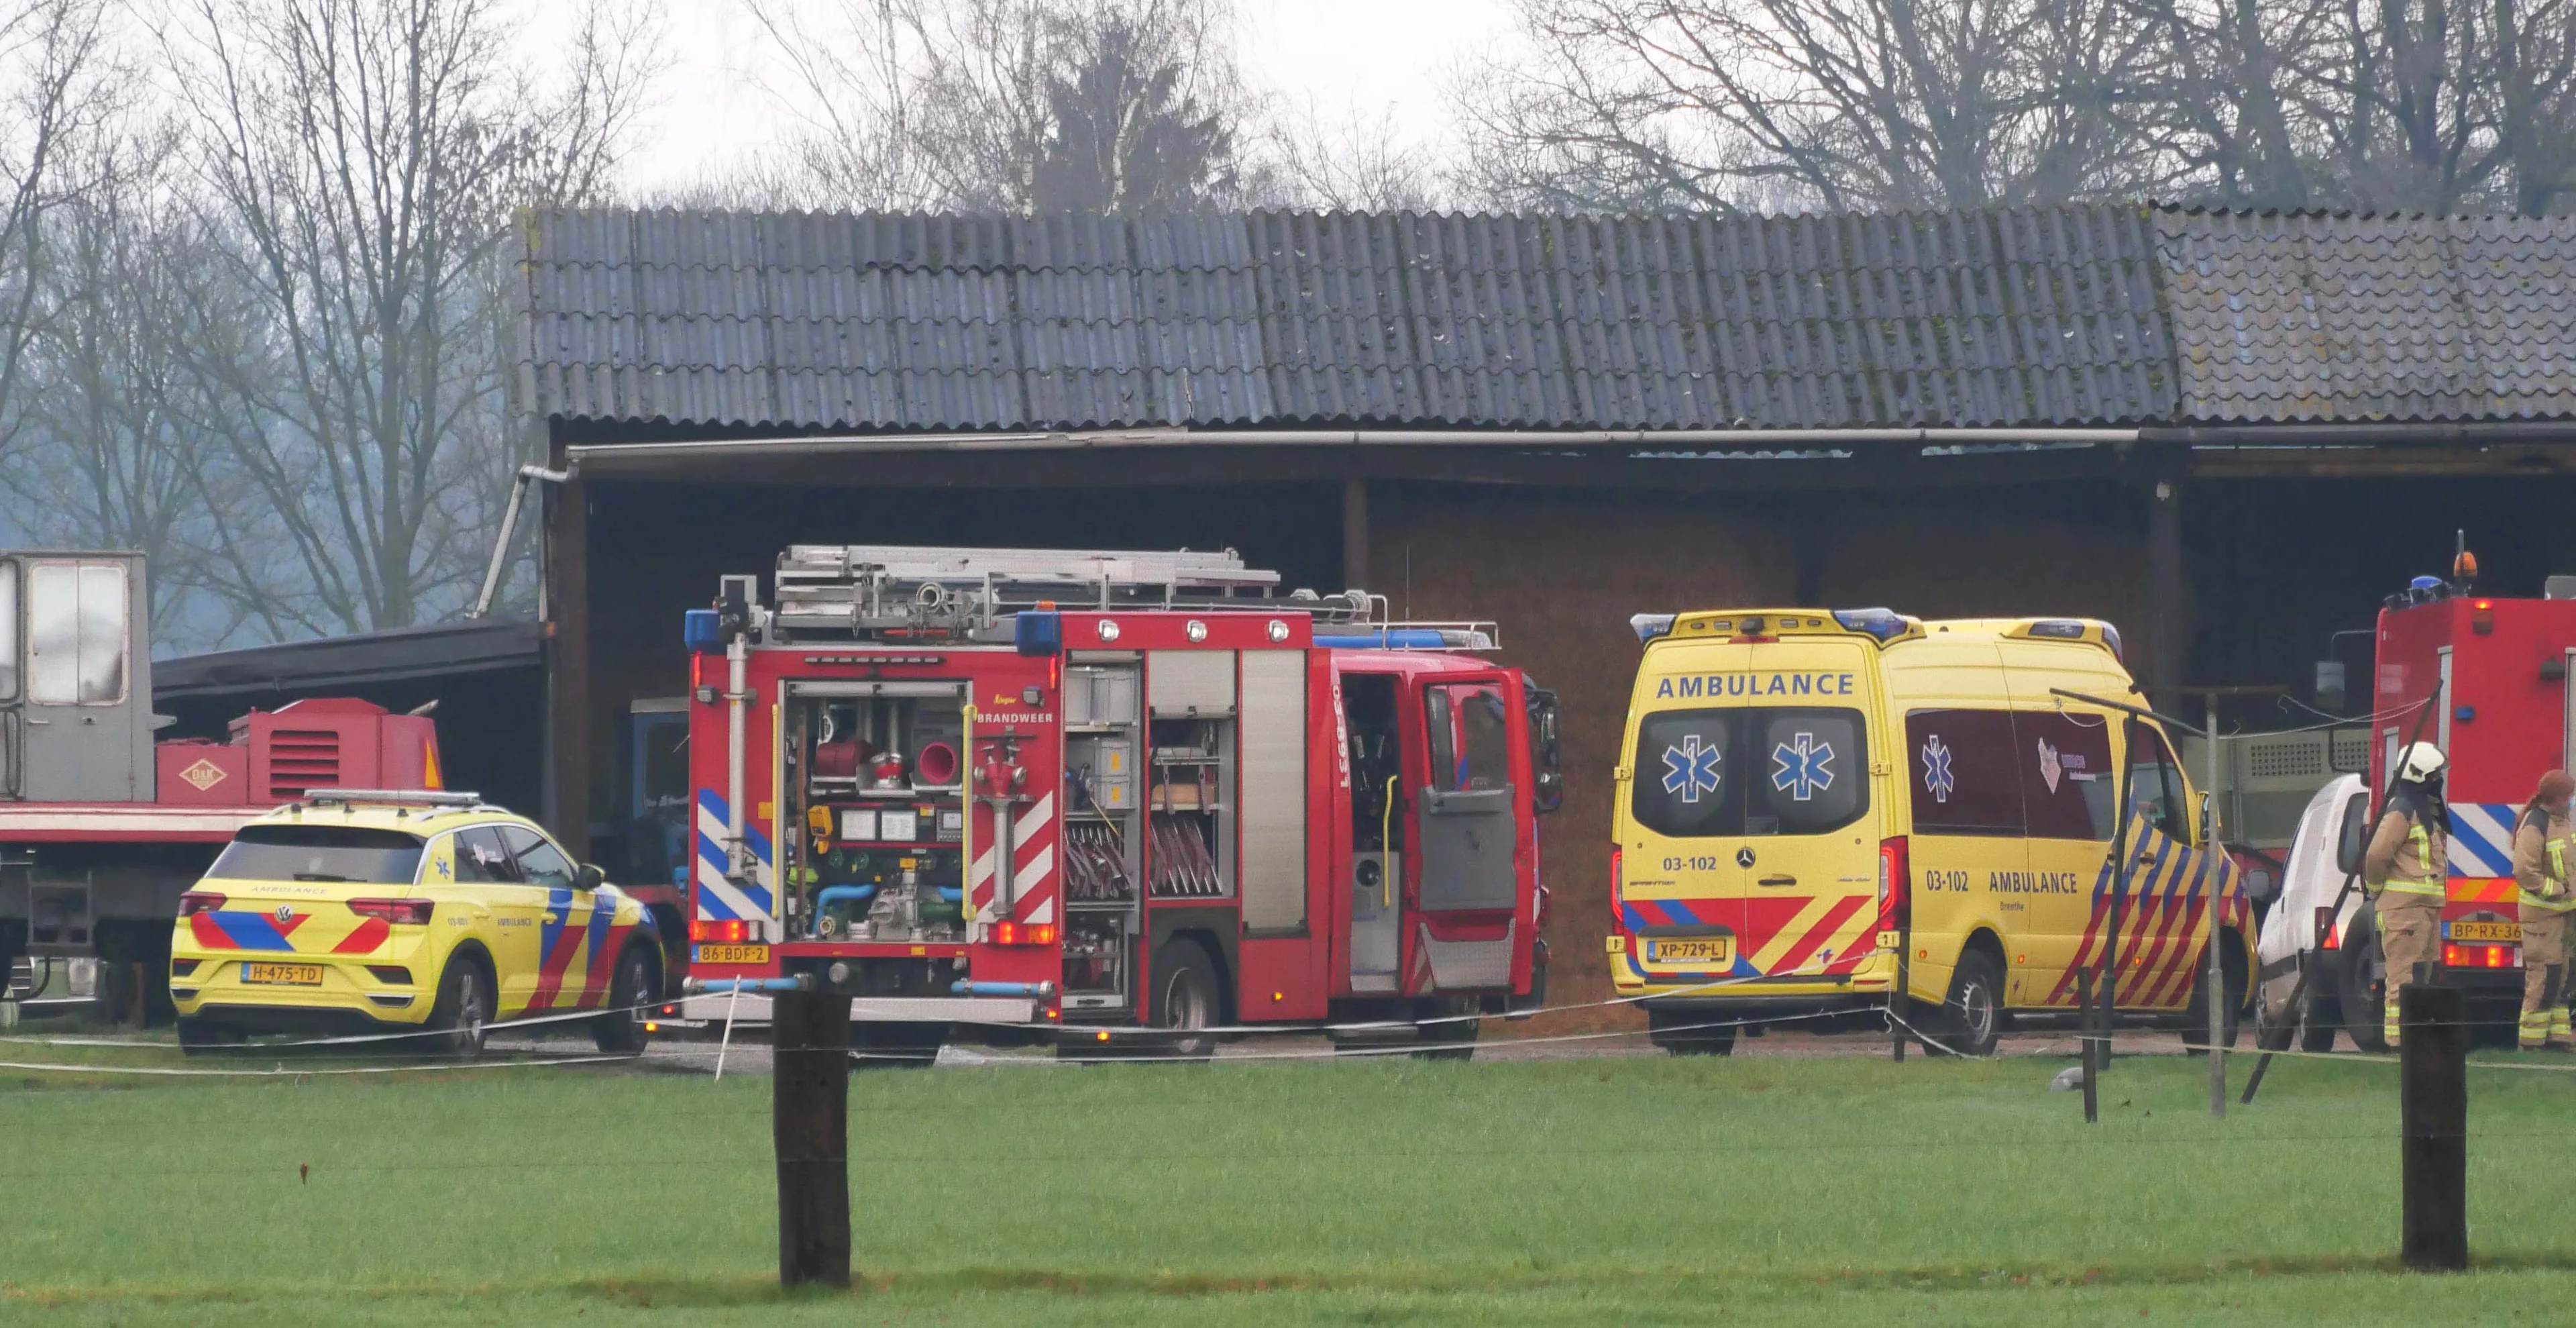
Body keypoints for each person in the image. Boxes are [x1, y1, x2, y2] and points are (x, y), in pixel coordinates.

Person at [2363, 742, 2450, 1049]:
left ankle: (2416, 1038)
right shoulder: (2402, 810)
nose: (2439, 779)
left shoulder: (2424, 808)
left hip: (2424, 908)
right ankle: (2399, 1042)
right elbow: (2376, 856)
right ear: (2420, 775)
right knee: (2403, 979)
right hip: (2404, 910)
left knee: (2423, 977)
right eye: (2435, 774)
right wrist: (2375, 888)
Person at [2510, 770, 2576, 1051]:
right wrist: (2557, 890)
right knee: (2544, 977)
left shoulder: (2562, 823)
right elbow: (2525, 872)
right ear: (2559, 798)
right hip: (2543, 914)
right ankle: (2530, 1042)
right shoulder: (2535, 825)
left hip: (2565, 915)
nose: (2572, 801)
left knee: (2564, 974)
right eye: (2570, 796)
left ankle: (2557, 1037)